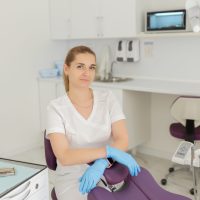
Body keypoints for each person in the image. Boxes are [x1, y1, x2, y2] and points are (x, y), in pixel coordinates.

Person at [46, 46, 140, 200]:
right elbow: (64, 156)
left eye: (91, 67)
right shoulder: (56, 108)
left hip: (108, 169)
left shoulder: (108, 98)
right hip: (73, 176)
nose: (86, 73)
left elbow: (122, 138)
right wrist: (108, 151)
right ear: (66, 69)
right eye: (80, 66)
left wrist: (103, 162)